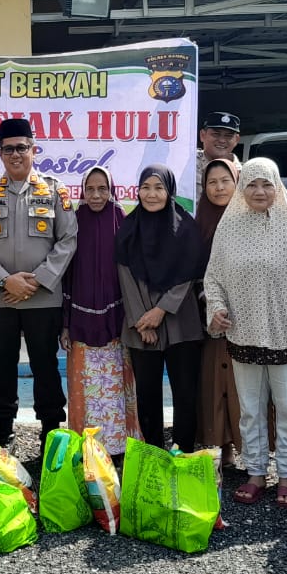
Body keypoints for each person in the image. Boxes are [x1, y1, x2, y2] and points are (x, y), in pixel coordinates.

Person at [204, 157, 287, 509]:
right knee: (251, 411)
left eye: (267, 184)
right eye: (253, 184)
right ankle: (256, 473)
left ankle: (286, 476)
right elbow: (213, 278)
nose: (259, 191)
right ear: (243, 188)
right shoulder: (230, 228)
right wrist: (217, 309)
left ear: (277, 188)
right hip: (243, 336)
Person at [0, 118, 78, 448]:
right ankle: (3, 431)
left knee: (45, 365)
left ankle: (51, 431)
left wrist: (39, 280)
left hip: (43, 298)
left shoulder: (55, 191)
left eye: (22, 148)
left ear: (34, 149)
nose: (16, 155)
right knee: (1, 366)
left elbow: (67, 239)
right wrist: (4, 281)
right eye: (9, 149)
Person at [115, 165, 205, 452]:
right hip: (141, 327)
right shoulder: (128, 229)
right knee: (148, 396)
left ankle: (183, 455)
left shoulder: (186, 228)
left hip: (181, 323)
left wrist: (160, 311)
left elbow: (188, 274)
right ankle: (153, 455)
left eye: (159, 188)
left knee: (186, 394)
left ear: (170, 192)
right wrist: (143, 320)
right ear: (137, 191)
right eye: (146, 188)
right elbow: (125, 276)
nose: (152, 195)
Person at [60, 166, 141, 455]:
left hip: (117, 323)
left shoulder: (122, 221)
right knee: (86, 386)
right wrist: (66, 324)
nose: (96, 195)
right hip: (81, 322)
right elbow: (66, 275)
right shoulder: (73, 223)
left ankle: (119, 448)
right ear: (82, 191)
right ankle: (87, 448)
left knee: (116, 386)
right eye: (90, 189)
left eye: (102, 189)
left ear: (112, 190)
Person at [194, 157, 245, 465]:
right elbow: (191, 268)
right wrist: (208, 301)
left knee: (244, 386)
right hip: (209, 315)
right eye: (212, 182)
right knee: (214, 382)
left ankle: (249, 450)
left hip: (247, 317)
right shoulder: (198, 220)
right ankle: (220, 448)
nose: (219, 187)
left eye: (225, 180)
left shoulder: (250, 217)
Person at [195, 111, 241, 191]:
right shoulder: (186, 165)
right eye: (216, 134)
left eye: (228, 136)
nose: (222, 140)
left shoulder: (243, 173)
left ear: (236, 140)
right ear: (202, 135)